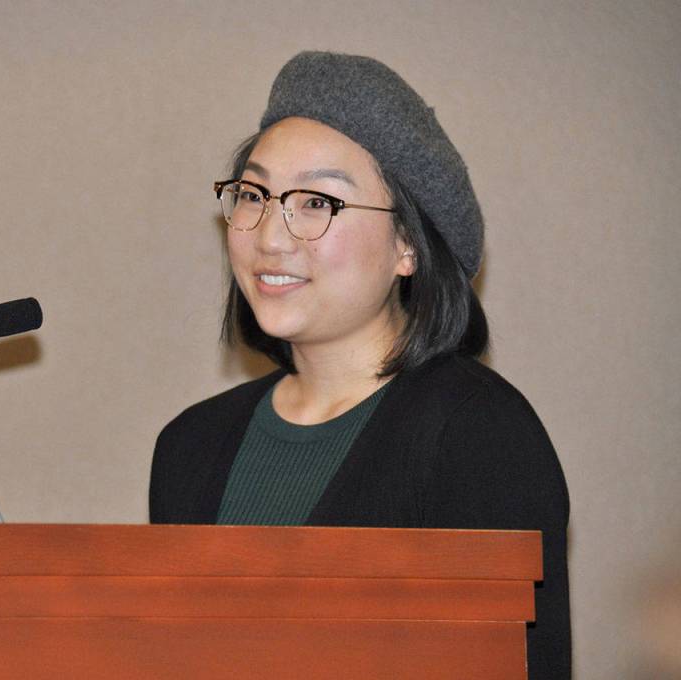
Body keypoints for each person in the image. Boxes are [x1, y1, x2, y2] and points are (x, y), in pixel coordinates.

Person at [149, 52, 570, 678]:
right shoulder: (189, 445)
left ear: (407, 244)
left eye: (317, 202)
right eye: (254, 194)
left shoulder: (478, 435)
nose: (270, 235)